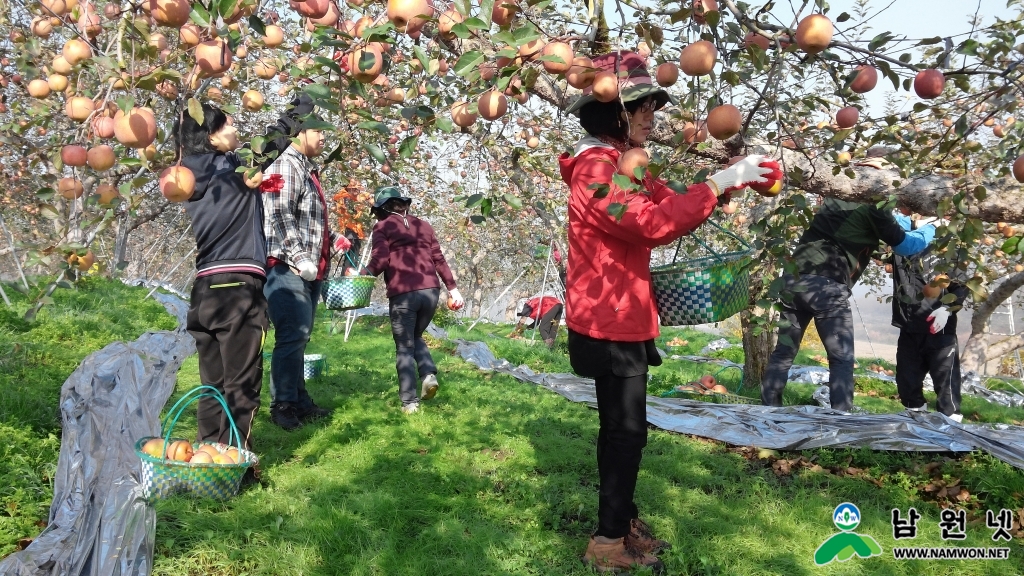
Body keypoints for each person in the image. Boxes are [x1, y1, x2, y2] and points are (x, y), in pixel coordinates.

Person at [559, 51, 781, 573]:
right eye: (641, 110)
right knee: (626, 431)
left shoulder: (623, 164)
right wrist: (720, 183)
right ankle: (608, 541)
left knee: (622, 428)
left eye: (651, 108)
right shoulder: (595, 169)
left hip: (625, 314)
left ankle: (620, 522)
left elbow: (668, 198)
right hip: (606, 319)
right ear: (613, 113)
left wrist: (730, 180)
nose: (650, 118)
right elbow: (648, 223)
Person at [759, 197, 936, 412]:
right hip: (827, 286)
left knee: (784, 350)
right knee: (841, 357)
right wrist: (931, 229)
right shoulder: (875, 206)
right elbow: (906, 245)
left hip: (792, 279)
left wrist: (907, 222)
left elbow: (888, 224)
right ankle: (841, 419)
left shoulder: (836, 197)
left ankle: (769, 409)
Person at [175, 103, 267, 467]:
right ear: (211, 135)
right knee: (241, 382)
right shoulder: (232, 171)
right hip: (239, 285)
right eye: (228, 124)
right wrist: (303, 106)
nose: (235, 128)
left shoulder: (185, 177)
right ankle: (233, 460)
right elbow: (270, 143)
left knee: (212, 381)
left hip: (205, 288)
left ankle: (205, 452)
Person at [261, 97, 350, 431]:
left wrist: (334, 237)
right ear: (299, 132)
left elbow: (305, 219)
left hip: (307, 268)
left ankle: (298, 399)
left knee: (300, 336)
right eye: (318, 130)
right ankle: (282, 404)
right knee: (291, 335)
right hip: (288, 267)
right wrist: (299, 258)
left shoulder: (305, 168)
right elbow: (278, 212)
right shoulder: (285, 164)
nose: (324, 137)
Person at [361, 186, 463, 414]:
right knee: (415, 335)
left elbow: (381, 259)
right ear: (403, 204)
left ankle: (410, 402)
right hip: (431, 291)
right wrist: (453, 289)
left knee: (404, 347)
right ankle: (428, 374)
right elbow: (439, 259)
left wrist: (363, 275)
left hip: (404, 293)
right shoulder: (424, 226)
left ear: (382, 209)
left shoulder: (383, 226)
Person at [891, 212, 966, 422]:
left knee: (946, 386)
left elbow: (961, 286)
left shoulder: (948, 249)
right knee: (907, 383)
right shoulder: (901, 245)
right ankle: (916, 424)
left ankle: (951, 431)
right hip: (909, 327)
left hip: (939, 331)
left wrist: (947, 309)